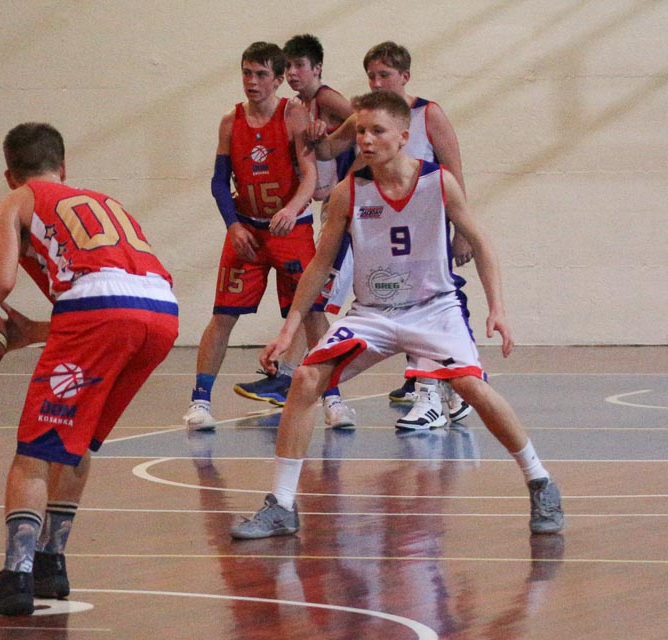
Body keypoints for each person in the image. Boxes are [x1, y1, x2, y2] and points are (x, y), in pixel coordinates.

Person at [229, 91, 564, 540]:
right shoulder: (349, 192)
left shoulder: (438, 182)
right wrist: (289, 329)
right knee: (306, 380)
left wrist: (498, 309)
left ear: (403, 137)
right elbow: (320, 264)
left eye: (376, 131)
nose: (365, 140)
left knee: (471, 387)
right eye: (360, 131)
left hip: (433, 308)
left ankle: (540, 481)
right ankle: (282, 505)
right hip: (373, 313)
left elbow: (482, 243)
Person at [0, 122, 178, 616]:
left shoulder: (15, 202)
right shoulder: (105, 202)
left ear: (10, 174)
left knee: (35, 451)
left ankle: (16, 577)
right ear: (63, 166)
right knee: (74, 443)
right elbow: (113, 291)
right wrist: (35, 332)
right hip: (162, 313)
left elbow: (0, 281)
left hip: (99, 312)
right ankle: (50, 564)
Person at [314, 41, 473, 428]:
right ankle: (448, 390)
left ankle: (432, 394)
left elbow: (453, 170)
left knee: (426, 304)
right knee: (395, 302)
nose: (376, 82)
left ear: (405, 76)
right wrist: (313, 131)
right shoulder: (364, 118)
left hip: (424, 223)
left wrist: (463, 233)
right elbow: (329, 150)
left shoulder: (428, 114)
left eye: (384, 75)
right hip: (379, 221)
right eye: (371, 75)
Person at [183, 41, 330, 431]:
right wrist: (232, 225)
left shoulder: (293, 115)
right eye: (247, 72)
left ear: (278, 79)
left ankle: (333, 399)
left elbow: (310, 176)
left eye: (262, 74)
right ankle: (200, 400)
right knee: (223, 314)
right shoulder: (230, 121)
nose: (252, 81)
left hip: (290, 228)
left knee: (313, 312)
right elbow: (219, 182)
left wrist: (291, 209)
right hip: (247, 229)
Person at [231, 34, 356, 429]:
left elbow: (366, 122)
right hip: (333, 208)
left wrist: (342, 161)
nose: (294, 73)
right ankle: (289, 377)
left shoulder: (327, 99)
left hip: (353, 209)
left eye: (301, 66)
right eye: (289, 67)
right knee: (313, 301)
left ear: (317, 69)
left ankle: (311, 386)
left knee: (316, 301)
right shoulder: (300, 109)